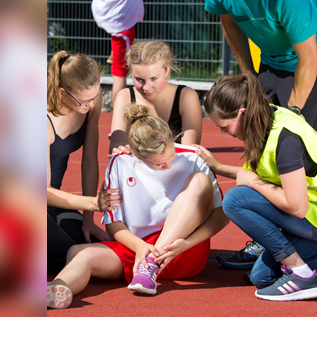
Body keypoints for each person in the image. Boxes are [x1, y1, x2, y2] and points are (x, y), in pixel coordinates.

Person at [198, 0, 317, 268]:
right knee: (258, 142)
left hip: (312, 58)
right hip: (271, 60)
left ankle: (310, 236)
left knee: (295, 146)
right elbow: (229, 22)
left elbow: (309, 58)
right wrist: (249, 75)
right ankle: (265, 241)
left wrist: (294, 112)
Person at [193, 74, 317, 301]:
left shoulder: (284, 140)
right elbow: (254, 175)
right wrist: (217, 166)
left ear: (242, 113)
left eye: (224, 127)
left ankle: (301, 274)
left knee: (235, 200)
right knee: (263, 277)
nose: (225, 133)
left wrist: (253, 183)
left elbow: (296, 206)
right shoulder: (267, 116)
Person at [48, 104, 227, 308]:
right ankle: (56, 288)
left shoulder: (194, 156)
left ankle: (152, 263)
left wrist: (186, 243)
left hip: (179, 249)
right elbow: (113, 225)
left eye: (171, 157)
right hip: (137, 249)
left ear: (172, 139)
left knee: (200, 181)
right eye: (158, 165)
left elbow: (221, 213)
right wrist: (140, 247)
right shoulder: (120, 161)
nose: (167, 166)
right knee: (78, 253)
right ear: (137, 156)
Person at [47, 51, 119, 276]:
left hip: (53, 202)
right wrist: (92, 203)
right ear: (62, 92)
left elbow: (89, 162)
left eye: (96, 94)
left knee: (94, 248)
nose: (90, 104)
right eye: (83, 100)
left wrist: (89, 219)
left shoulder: (91, 105)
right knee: (71, 258)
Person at [108, 40, 202, 155]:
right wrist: (118, 149)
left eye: (154, 79)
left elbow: (189, 154)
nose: (146, 87)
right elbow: (116, 146)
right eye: (139, 80)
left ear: (166, 70)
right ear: (131, 73)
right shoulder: (125, 97)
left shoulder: (186, 97)